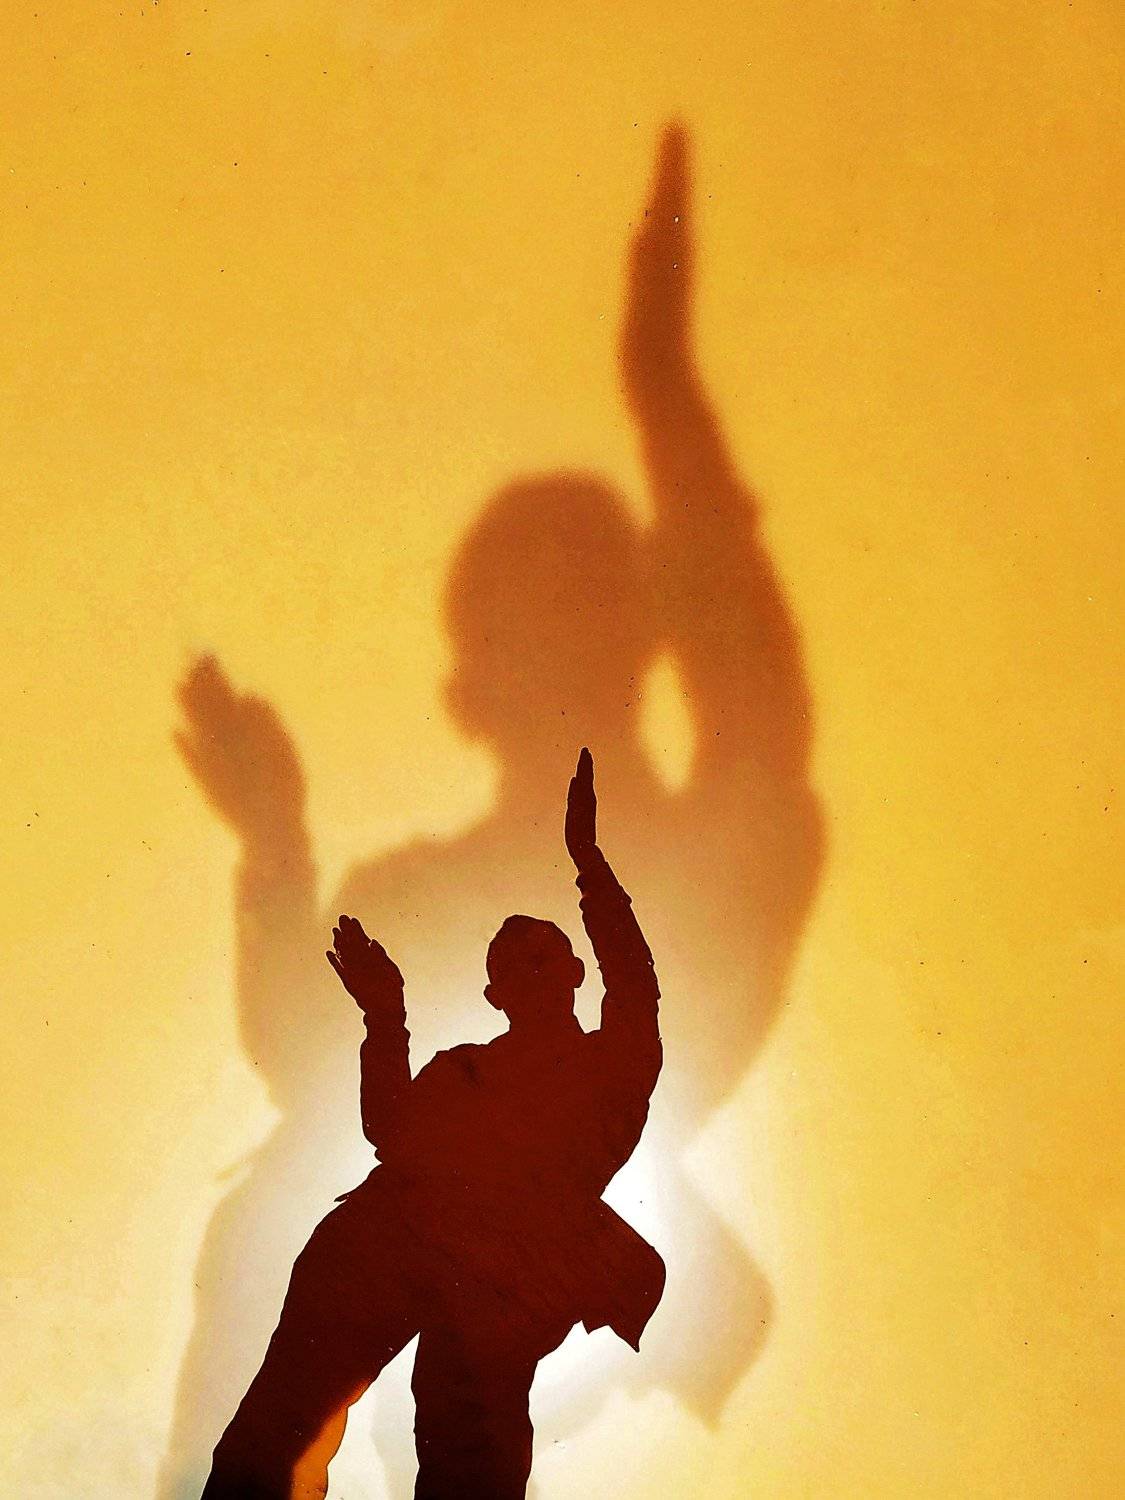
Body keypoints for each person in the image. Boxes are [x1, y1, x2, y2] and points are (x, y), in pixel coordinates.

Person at [200, 750, 664, 1500]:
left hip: (503, 1274)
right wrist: (386, 1019)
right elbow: (392, 1132)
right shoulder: (461, 1069)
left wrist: (588, 864)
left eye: (545, 957)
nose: (530, 970)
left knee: (465, 1453)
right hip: (391, 1239)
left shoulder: (610, 1066)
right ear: (495, 993)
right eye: (512, 964)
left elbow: (635, 983)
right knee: (281, 1420)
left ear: (575, 972)